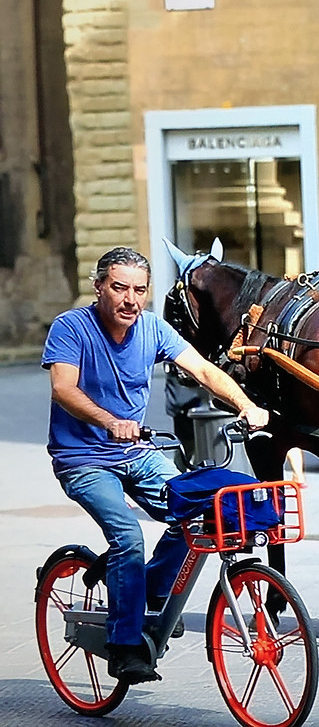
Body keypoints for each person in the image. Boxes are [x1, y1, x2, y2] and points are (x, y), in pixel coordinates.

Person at [42, 247, 271, 685]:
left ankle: (148, 590)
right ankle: (125, 646)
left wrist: (245, 405)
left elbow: (204, 371)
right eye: (120, 288)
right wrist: (110, 422)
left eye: (140, 290)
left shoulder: (151, 329)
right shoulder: (71, 328)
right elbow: (62, 388)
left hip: (137, 452)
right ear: (99, 287)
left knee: (199, 511)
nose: (130, 299)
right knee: (128, 535)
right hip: (83, 459)